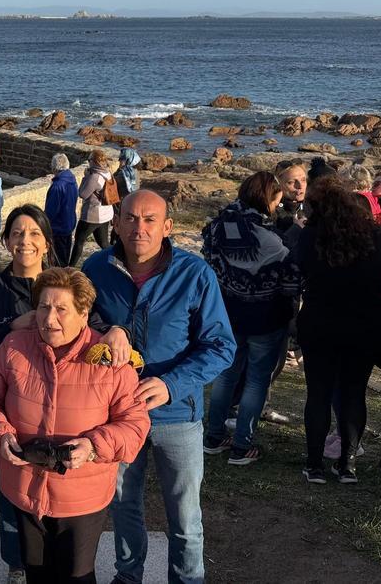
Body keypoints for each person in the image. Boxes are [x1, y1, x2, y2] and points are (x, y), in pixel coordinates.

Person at [0, 205, 135, 583]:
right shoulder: (14, 346)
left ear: (83, 311)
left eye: (61, 309)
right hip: (24, 485)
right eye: (43, 308)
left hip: (82, 494)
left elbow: (134, 425)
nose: (50, 318)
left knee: (76, 575)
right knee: (36, 573)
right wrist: (0, 433)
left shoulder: (105, 358)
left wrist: (93, 446)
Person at [83, 190, 236, 584]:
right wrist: (108, 330)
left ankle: (187, 580)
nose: (140, 228)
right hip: (116, 414)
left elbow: (222, 346)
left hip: (177, 415)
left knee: (185, 515)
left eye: (150, 220)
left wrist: (171, 384)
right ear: (115, 222)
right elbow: (81, 323)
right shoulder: (96, 268)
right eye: (131, 218)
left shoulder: (195, 274)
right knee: (123, 506)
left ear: (168, 227)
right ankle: (128, 576)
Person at [294, 178, 381, 484]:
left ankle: (314, 464)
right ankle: (347, 464)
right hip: (364, 323)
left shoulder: (310, 237)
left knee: (319, 393)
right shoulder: (377, 236)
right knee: (354, 393)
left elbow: (301, 272)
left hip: (320, 322)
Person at [201, 172, 302, 465]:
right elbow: (291, 274)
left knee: (227, 375)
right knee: (257, 380)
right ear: (268, 198)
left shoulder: (220, 224)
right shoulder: (266, 237)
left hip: (229, 313)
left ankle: (214, 436)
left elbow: (212, 261)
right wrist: (295, 233)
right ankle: (242, 445)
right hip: (265, 318)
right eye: (277, 197)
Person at [69, 149, 114, 267]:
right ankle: (117, 262)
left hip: (92, 215)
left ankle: (69, 267)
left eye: (89, 160)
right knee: (103, 243)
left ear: (94, 161)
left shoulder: (94, 177)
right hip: (106, 213)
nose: (88, 162)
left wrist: (85, 177)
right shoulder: (108, 173)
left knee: (79, 241)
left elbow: (82, 194)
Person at [44, 153, 79, 267]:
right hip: (68, 224)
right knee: (64, 257)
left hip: (57, 228)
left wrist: (44, 225)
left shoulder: (58, 186)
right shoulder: (72, 180)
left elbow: (51, 211)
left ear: (54, 168)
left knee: (56, 261)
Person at [274, 160, 308, 249]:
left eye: (303, 180)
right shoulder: (270, 210)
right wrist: (296, 229)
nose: (300, 186)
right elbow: (272, 249)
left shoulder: (318, 205)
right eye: (291, 182)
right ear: (278, 184)